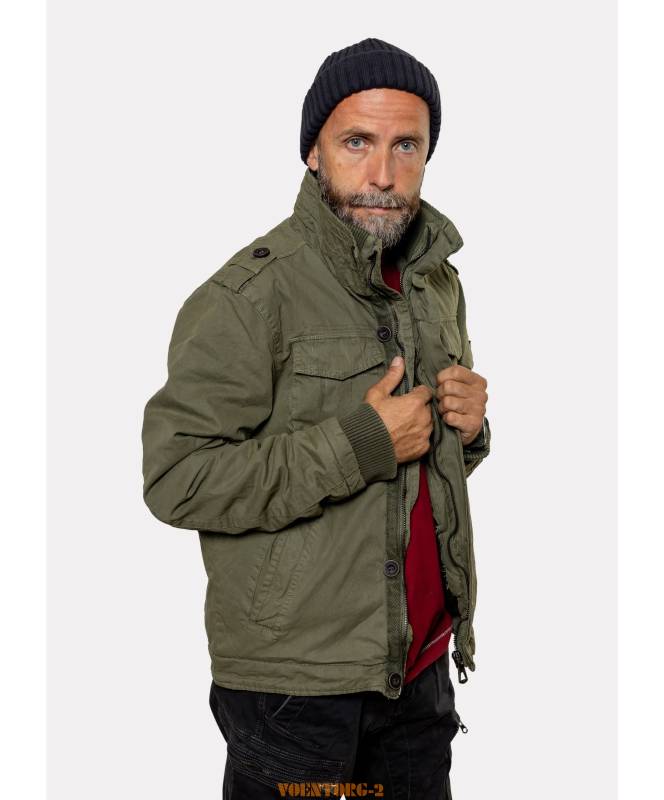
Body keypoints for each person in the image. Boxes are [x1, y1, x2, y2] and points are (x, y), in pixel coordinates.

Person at [142, 37, 491, 799]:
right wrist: (362, 443)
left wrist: (468, 430)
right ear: (312, 151)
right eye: (356, 142)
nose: (383, 174)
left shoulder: (435, 283)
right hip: (297, 693)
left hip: (419, 669)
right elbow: (177, 479)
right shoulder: (249, 297)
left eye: (406, 145)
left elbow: (422, 458)